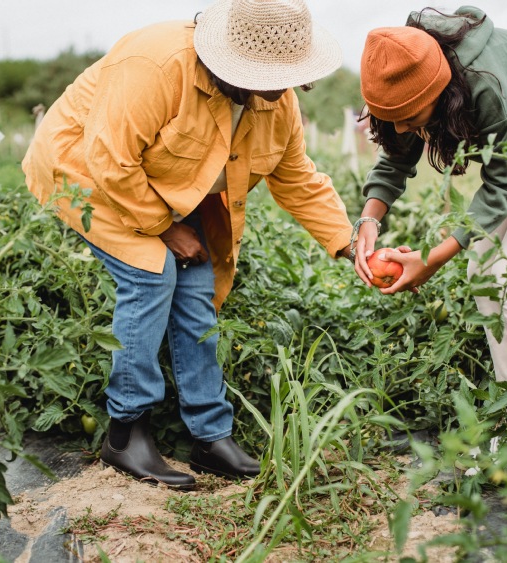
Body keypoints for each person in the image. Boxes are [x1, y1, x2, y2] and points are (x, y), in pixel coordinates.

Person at [21, 0, 358, 490]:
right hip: (85, 173)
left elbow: (297, 178)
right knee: (151, 272)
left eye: (288, 77)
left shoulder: (275, 100)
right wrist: (166, 227)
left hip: (165, 185)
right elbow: (109, 161)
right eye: (268, 77)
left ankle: (210, 435)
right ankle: (125, 432)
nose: (280, 90)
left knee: (197, 287)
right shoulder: (156, 66)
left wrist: (350, 245)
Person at [352, 6, 507, 384]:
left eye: (411, 118)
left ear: (441, 94)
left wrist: (430, 259)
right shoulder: (404, 73)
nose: (400, 127)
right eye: (391, 117)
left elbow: (505, 182)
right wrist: (369, 220)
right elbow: (395, 161)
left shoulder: (485, 83)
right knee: (481, 270)